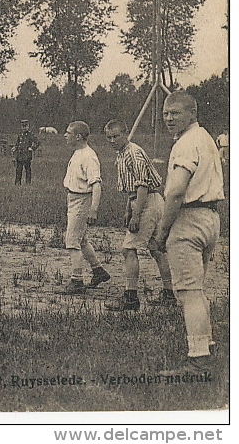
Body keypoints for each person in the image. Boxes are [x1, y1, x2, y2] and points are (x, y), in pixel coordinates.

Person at [154, 91, 224, 376]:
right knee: (198, 289)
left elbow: (176, 192)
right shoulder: (206, 138)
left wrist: (162, 232)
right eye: (166, 113)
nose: (169, 118)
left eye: (176, 113)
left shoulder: (185, 143)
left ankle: (198, 359)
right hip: (211, 218)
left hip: (189, 218)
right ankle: (206, 341)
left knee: (188, 292)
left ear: (192, 113)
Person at [103, 119, 174, 311]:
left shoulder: (132, 153)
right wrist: (129, 208)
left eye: (116, 136)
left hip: (147, 202)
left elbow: (142, 186)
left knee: (128, 249)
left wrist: (136, 215)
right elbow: (132, 189)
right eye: (109, 137)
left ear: (125, 134)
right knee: (156, 249)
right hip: (148, 201)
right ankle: (169, 294)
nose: (112, 140)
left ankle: (130, 297)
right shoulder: (122, 153)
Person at [58, 121, 111, 294]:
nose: (65, 135)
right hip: (73, 198)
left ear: (78, 136)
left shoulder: (89, 157)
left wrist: (93, 209)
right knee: (81, 240)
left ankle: (77, 281)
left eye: (68, 132)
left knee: (72, 241)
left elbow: (96, 185)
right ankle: (98, 271)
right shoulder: (78, 153)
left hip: (82, 200)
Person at [13, 119, 41, 185]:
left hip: (27, 156)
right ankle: (17, 183)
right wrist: (15, 147)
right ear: (21, 127)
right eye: (23, 126)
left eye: (25, 126)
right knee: (18, 170)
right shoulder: (20, 135)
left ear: (28, 126)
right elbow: (17, 143)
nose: (24, 128)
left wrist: (32, 148)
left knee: (27, 170)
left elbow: (37, 142)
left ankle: (28, 183)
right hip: (19, 156)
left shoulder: (30, 135)